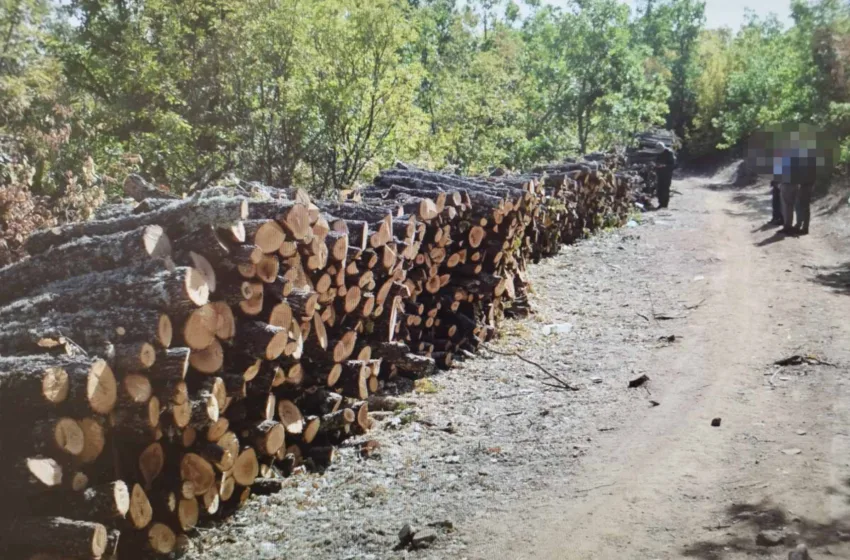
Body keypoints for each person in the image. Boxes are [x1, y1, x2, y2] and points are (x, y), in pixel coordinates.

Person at [655, 142, 676, 209]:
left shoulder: (669, 153)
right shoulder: (658, 153)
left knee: (665, 189)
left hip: (667, 174)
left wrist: (664, 166)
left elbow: (674, 165)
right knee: (659, 188)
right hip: (660, 173)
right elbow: (656, 161)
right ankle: (660, 203)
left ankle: (665, 204)